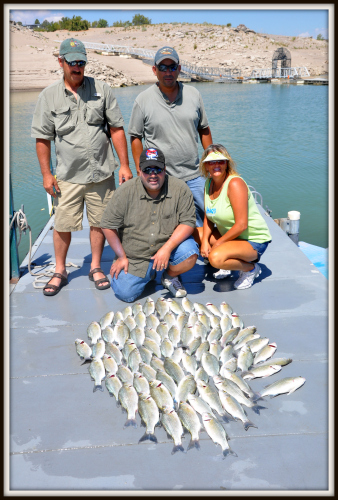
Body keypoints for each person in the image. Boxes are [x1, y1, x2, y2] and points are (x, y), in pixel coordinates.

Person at [31, 38, 132, 296]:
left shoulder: (102, 90)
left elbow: (117, 129)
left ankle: (96, 267)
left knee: (100, 222)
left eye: (81, 62)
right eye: (72, 62)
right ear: (61, 62)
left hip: (101, 172)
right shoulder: (48, 96)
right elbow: (43, 139)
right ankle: (60, 270)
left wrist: (124, 164)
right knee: (63, 223)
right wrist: (46, 174)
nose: (77, 67)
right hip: (68, 175)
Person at [128, 46, 213, 227]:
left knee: (203, 222)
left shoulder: (194, 95)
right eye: (163, 68)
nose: (168, 72)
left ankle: (203, 252)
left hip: (194, 175)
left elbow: (204, 129)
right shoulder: (142, 100)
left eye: (172, 67)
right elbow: (135, 136)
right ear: (154, 70)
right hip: (159, 176)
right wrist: (139, 169)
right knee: (161, 223)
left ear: (179, 69)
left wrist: (211, 161)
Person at [100, 148, 199, 302]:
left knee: (190, 253)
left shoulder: (180, 188)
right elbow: (107, 224)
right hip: (136, 255)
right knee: (125, 293)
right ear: (139, 171)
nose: (153, 174)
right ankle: (149, 272)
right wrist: (121, 256)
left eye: (158, 169)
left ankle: (169, 275)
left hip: (168, 249)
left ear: (165, 169)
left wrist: (167, 248)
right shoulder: (125, 191)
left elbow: (188, 222)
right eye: (148, 169)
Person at [194, 144, 272, 290]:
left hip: (253, 240)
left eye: (220, 161)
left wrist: (218, 244)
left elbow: (241, 225)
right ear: (205, 165)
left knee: (215, 258)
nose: (216, 165)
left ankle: (250, 269)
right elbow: (208, 216)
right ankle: (228, 262)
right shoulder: (209, 183)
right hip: (232, 238)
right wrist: (205, 242)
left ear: (227, 163)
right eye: (211, 161)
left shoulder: (235, 183)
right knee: (196, 233)